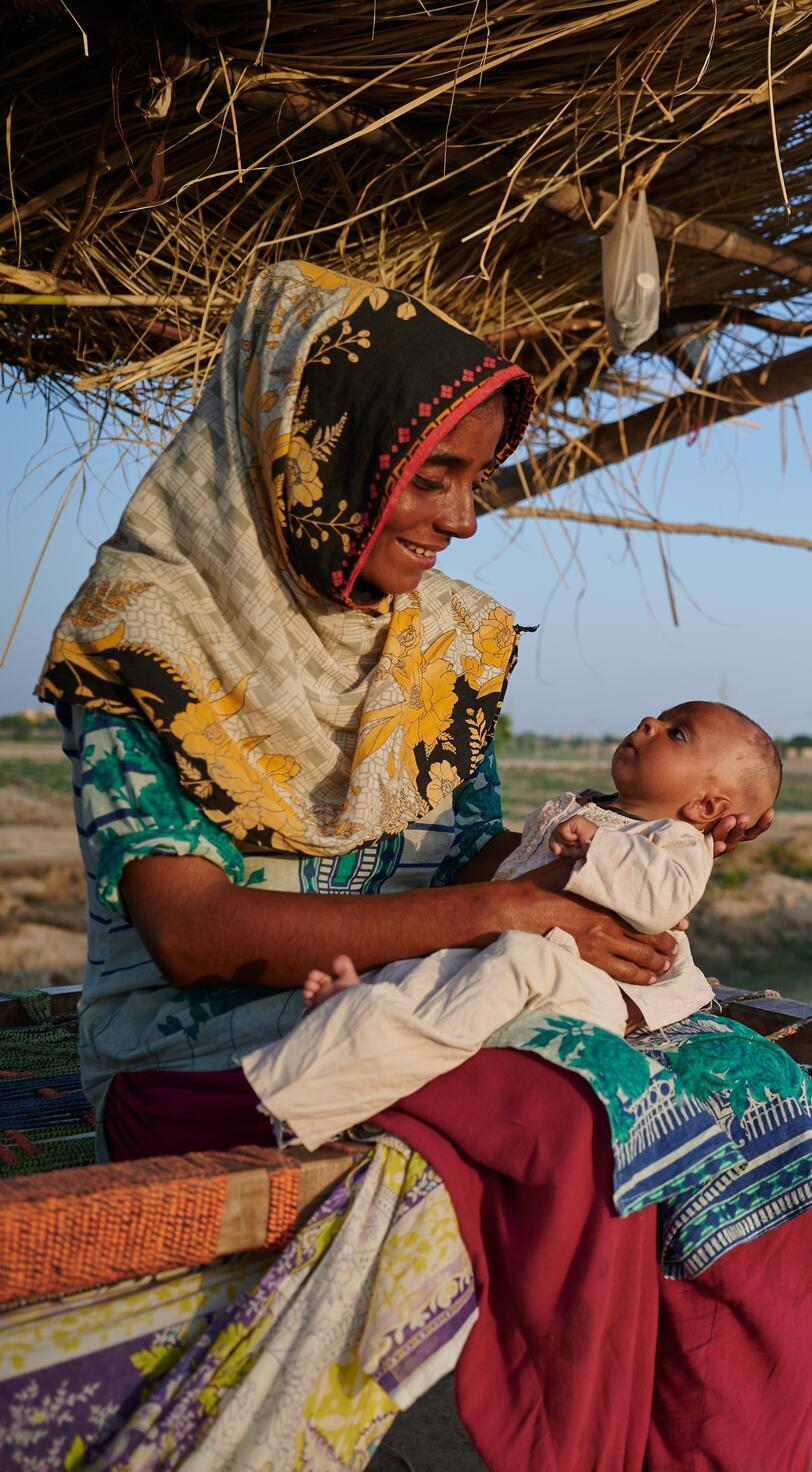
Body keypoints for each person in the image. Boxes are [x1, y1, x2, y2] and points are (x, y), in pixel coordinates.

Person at [37, 260, 810, 1472]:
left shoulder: (453, 642)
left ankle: (723, 1443)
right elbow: (186, 931)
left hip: (413, 997)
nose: (461, 518)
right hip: (203, 1046)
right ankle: (579, 1446)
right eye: (430, 475)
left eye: (473, 480)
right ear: (315, 449)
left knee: (744, 1080)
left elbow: (475, 854)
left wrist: (615, 881)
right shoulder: (142, 633)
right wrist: (508, 909)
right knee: (576, 1118)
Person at [240, 701, 783, 1151]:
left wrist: (600, 845)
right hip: (515, 946)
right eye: (659, 718)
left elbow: (662, 902)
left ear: (709, 804)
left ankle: (344, 1083)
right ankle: (362, 1017)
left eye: (677, 733)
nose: (649, 723)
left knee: (503, 971)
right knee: (431, 969)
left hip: (593, 984)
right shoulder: (588, 808)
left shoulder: (680, 841)